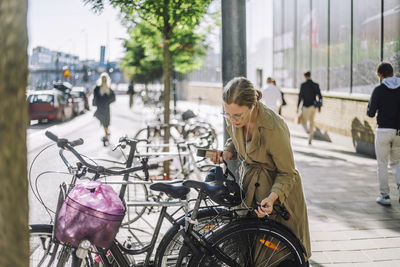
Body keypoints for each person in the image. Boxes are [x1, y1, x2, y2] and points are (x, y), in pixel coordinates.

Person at [211, 77, 311, 264]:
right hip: (251, 188)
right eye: (227, 115)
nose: (232, 120)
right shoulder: (237, 119)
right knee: (251, 253)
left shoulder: (273, 127)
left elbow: (287, 173)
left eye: (237, 116)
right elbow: (235, 139)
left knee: (279, 254)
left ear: (253, 105)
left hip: (279, 195)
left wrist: (272, 199)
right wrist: (227, 152)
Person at [367, 62, 400, 206]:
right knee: (397, 163)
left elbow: (371, 113)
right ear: (392, 73)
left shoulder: (378, 90)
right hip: (399, 132)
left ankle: (385, 196)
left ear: (380, 75)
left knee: (382, 164)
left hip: (383, 131)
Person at [297, 71, 322, 145]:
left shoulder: (303, 85)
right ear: (310, 76)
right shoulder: (315, 85)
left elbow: (300, 97)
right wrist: (319, 107)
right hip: (313, 107)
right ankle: (311, 135)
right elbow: (320, 96)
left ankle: (308, 131)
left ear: (305, 77)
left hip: (305, 106)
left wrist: (297, 107)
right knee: (312, 121)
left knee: (303, 122)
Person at [93, 72, 116, 143]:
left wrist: (107, 102)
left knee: (105, 122)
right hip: (100, 108)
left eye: (105, 79)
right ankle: (107, 133)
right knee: (103, 121)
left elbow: (113, 98)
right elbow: (95, 97)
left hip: (105, 108)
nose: (104, 80)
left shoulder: (109, 89)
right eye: (103, 78)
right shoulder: (97, 88)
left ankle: (106, 133)